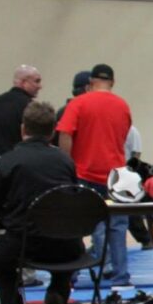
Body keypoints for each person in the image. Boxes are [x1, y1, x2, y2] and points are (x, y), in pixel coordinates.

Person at [0, 101, 82, 304]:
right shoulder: (65, 161)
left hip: (25, 244)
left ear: (23, 129)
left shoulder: (7, 161)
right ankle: (58, 290)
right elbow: (76, 198)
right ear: (53, 131)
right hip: (67, 245)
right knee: (67, 245)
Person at [55, 63, 133, 287]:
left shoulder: (79, 103)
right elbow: (124, 135)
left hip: (84, 173)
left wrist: (67, 165)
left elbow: (65, 134)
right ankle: (120, 276)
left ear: (90, 83)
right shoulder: (122, 105)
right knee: (117, 228)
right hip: (117, 176)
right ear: (112, 82)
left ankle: (72, 275)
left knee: (79, 227)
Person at [0, 65, 42, 184]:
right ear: (24, 82)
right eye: (37, 81)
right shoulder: (30, 108)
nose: (40, 86)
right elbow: (37, 145)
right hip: (16, 180)